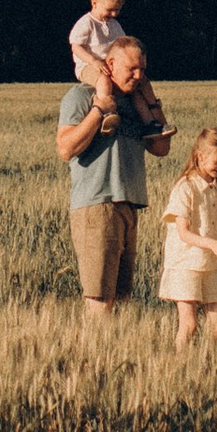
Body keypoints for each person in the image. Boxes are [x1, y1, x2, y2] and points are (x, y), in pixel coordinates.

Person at [54, 34, 172, 317]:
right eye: (132, 68)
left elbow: (161, 147)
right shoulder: (82, 96)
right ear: (110, 64)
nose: (138, 75)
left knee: (121, 301)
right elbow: (65, 148)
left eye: (143, 69)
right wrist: (98, 112)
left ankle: (114, 354)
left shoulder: (137, 104)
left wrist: (152, 100)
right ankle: (95, 358)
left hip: (130, 205)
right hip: (97, 205)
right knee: (100, 302)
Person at [156, 128, 217, 350]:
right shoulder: (186, 187)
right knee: (190, 325)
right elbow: (183, 233)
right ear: (200, 156)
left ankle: (208, 367)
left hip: (211, 266)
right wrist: (212, 243)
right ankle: (179, 366)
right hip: (186, 265)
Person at [69, 0, 130, 84]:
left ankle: (150, 101)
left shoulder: (114, 25)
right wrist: (94, 61)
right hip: (88, 66)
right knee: (104, 80)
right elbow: (76, 47)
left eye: (117, 10)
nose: (114, 14)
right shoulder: (87, 23)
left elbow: (123, 44)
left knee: (136, 78)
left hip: (109, 66)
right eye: (110, 10)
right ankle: (103, 101)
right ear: (94, 3)